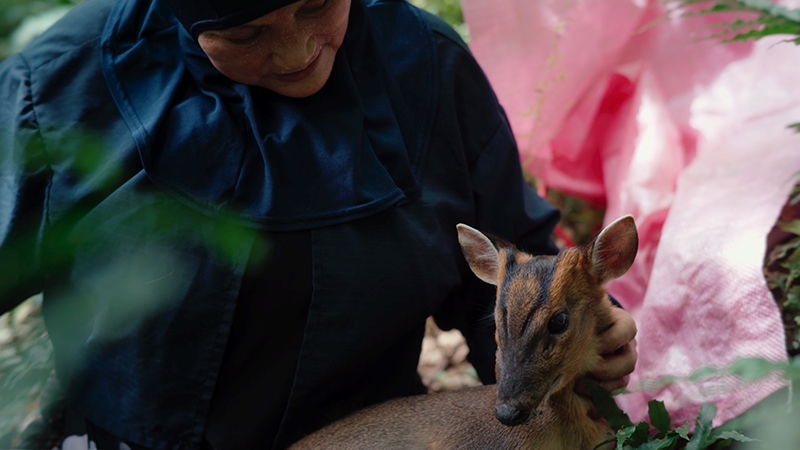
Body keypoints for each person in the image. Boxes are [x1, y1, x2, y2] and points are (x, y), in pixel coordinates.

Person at [0, 0, 638, 448]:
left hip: (374, 435)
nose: (297, 50)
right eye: (246, 34)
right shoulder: (62, 88)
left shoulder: (427, 70)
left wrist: (586, 332)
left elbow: (512, 278)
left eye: (315, 6)